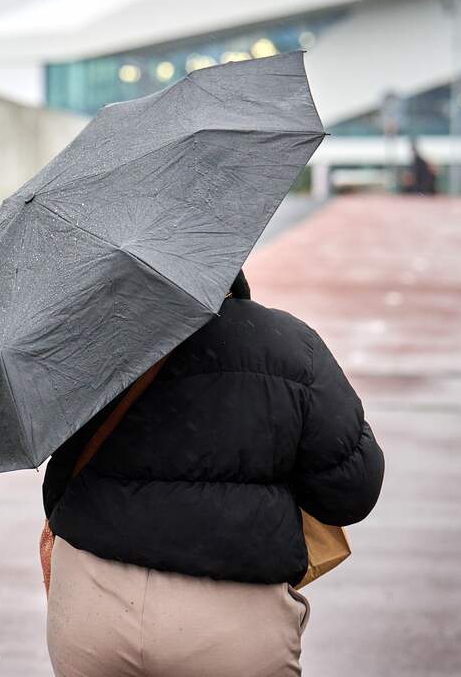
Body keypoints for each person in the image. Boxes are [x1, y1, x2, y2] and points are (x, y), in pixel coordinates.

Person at [43, 271, 385, 677]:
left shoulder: (94, 345)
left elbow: (57, 483)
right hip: (231, 631)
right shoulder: (291, 347)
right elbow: (351, 492)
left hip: (90, 615)